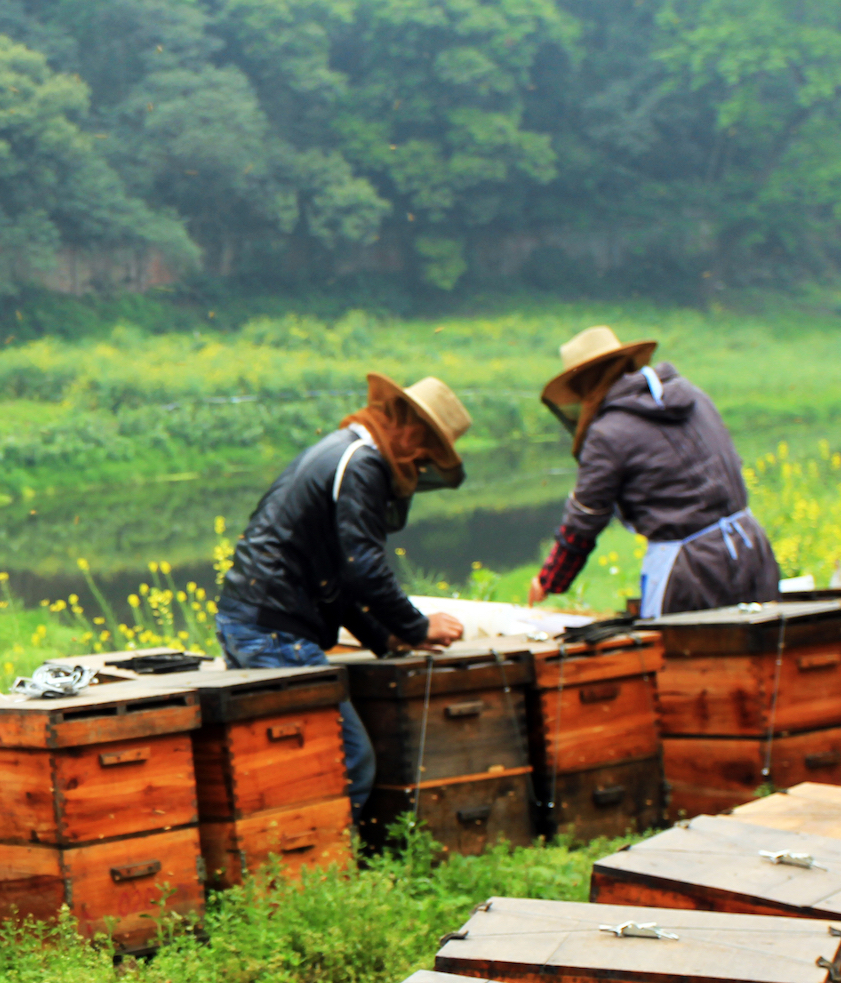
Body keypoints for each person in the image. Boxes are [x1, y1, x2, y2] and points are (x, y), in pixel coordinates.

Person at [214, 374, 471, 817]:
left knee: (294, 759)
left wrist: (386, 638)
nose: (423, 459)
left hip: (253, 621)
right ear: (410, 430)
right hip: (277, 632)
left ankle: (303, 863)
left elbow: (335, 578)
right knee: (348, 761)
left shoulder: (341, 450)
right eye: (427, 447)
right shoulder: (363, 464)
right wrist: (417, 625)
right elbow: (363, 567)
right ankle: (323, 866)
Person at [525, 326, 778, 617]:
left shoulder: (607, 434)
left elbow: (585, 518)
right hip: (751, 546)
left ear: (587, 384)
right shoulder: (693, 395)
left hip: (692, 570)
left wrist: (549, 579)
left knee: (683, 659)